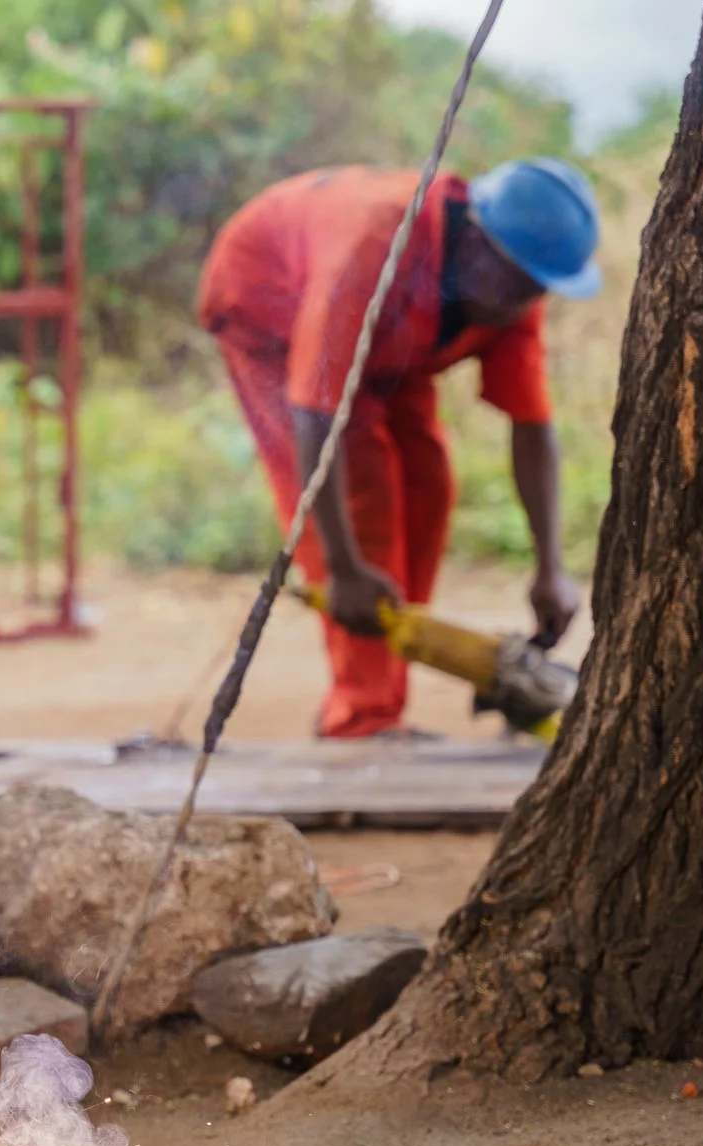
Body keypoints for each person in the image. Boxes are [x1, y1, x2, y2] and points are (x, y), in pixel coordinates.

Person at [197, 158, 598, 738]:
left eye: (540, 289)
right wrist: (343, 569)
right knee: (366, 499)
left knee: (429, 483)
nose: (524, 304)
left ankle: (388, 659)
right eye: (519, 283)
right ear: (478, 245)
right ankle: (363, 716)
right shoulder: (375, 247)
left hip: (388, 346)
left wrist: (551, 569)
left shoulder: (513, 288)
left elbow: (531, 425)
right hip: (269, 313)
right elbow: (314, 408)